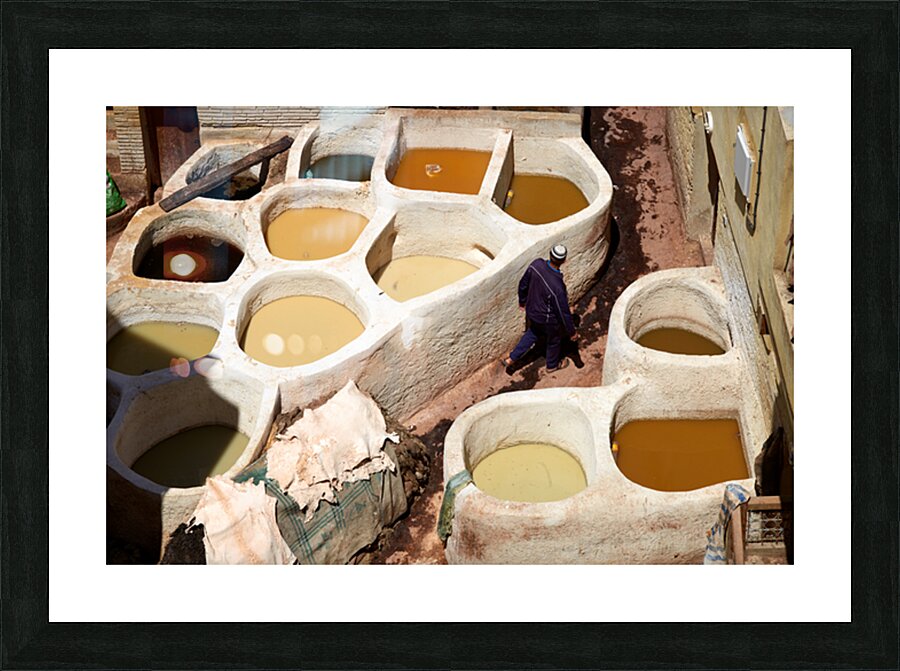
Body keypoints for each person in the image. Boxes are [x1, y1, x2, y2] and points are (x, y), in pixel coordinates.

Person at [501, 244, 578, 372]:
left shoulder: (536, 265)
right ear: (564, 260)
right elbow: (562, 311)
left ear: (550, 255)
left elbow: (523, 283)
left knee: (532, 333)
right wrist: (571, 331)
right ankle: (552, 366)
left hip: (532, 311)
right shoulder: (557, 287)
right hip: (547, 320)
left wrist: (522, 301)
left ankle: (511, 359)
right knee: (554, 340)